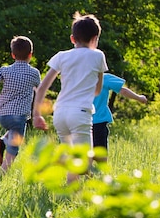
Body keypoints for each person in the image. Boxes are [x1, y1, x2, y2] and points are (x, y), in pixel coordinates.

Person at [32, 12, 108, 182]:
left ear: (72, 39)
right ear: (95, 38)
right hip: (80, 113)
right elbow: (97, 90)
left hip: (60, 113)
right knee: (85, 161)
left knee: (71, 155)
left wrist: (36, 114)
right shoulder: (98, 56)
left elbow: (43, 86)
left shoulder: (61, 56)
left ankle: (70, 189)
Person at [0, 36, 41, 174]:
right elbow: (40, 91)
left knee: (12, 133)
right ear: (30, 55)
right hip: (19, 116)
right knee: (14, 146)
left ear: (13, 55)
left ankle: (1, 142)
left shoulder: (5, 70)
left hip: (2, 115)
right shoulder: (34, 73)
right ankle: (3, 173)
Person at [92, 72, 147, 160]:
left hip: (82, 120)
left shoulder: (81, 79)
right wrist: (139, 98)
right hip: (99, 121)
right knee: (100, 153)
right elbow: (123, 91)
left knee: (86, 151)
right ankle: (100, 172)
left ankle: (85, 172)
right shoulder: (104, 78)